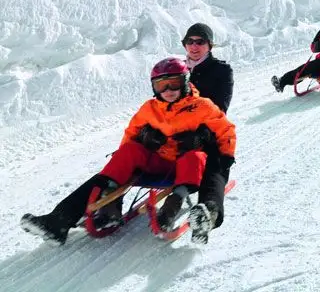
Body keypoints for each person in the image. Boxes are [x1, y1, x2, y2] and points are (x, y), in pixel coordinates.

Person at [20, 57, 236, 246]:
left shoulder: (202, 106)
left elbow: (226, 131)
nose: (168, 90)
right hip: (157, 162)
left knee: (195, 156)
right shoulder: (149, 108)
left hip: (185, 166)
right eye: (161, 85)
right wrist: (144, 138)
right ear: (154, 88)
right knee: (127, 152)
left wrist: (224, 158)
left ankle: (173, 205)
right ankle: (59, 221)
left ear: (186, 82)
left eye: (174, 83)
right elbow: (130, 136)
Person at [180, 23, 235, 241]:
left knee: (215, 162)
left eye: (200, 41)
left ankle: (208, 213)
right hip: (174, 130)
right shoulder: (177, 68)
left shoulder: (221, 70)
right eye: (190, 41)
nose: (194, 46)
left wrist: (201, 131)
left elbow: (220, 107)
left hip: (209, 131)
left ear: (209, 45)